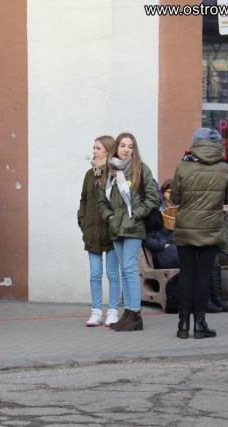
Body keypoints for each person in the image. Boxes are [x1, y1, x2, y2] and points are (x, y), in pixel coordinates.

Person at [170, 127, 228, 340]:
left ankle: (182, 325)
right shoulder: (224, 168)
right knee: (203, 275)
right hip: (211, 228)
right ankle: (200, 324)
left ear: (195, 143)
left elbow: (175, 199)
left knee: (186, 274)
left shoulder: (183, 166)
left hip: (186, 228)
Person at [98, 132, 159, 332]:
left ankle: (135, 314)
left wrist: (137, 214)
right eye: (123, 145)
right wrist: (109, 217)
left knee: (130, 269)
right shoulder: (110, 172)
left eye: (130, 146)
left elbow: (152, 198)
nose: (126, 150)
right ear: (116, 147)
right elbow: (102, 201)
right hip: (116, 228)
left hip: (134, 227)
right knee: (124, 270)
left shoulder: (141, 169)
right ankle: (128, 313)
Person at [77, 135, 121, 327]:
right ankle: (96, 312)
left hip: (111, 232)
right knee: (95, 274)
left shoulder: (115, 173)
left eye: (98, 148)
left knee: (112, 273)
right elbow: (84, 200)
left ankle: (113, 311)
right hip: (92, 232)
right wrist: (83, 220)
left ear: (109, 151)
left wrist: (115, 223)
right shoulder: (90, 174)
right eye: (94, 148)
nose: (94, 151)